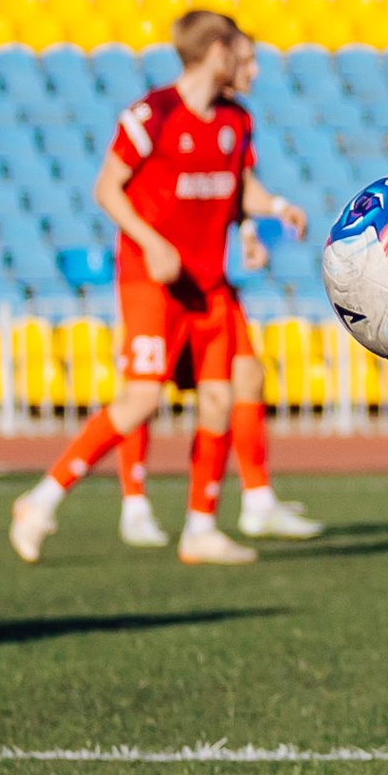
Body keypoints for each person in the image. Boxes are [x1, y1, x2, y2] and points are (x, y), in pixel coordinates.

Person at [10, 11, 310, 566]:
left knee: (221, 396)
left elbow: (237, 185)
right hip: (152, 281)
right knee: (141, 399)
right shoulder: (153, 114)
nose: (256, 67)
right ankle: (40, 499)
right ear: (218, 52)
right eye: (246, 55)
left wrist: (271, 210)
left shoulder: (236, 122)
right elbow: (107, 188)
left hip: (208, 283)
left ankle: (200, 528)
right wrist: (150, 242)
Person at [114, 210, 324, 546]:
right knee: (143, 392)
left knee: (247, 377)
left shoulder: (232, 156)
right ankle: (133, 505)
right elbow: (114, 189)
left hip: (210, 281)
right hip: (159, 277)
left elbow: (232, 182)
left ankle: (254, 502)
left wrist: (254, 224)